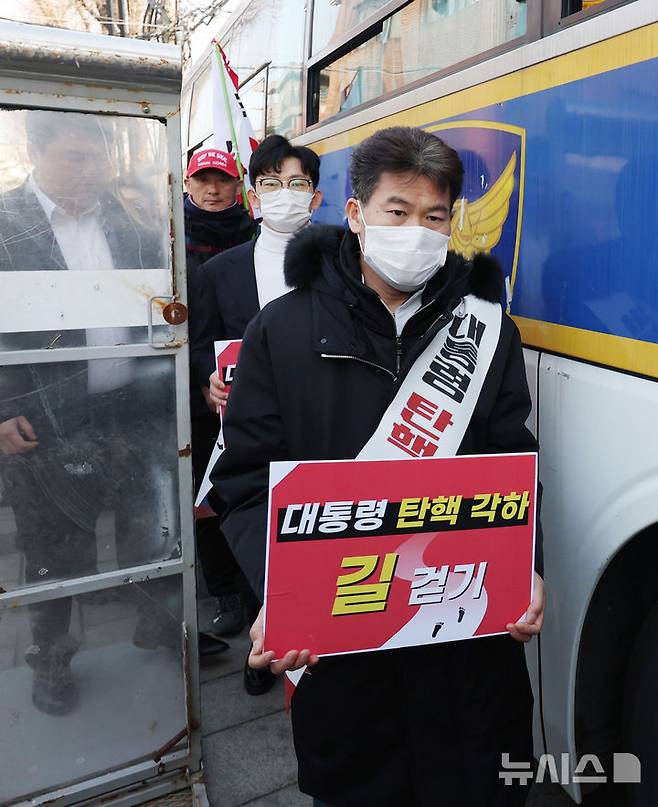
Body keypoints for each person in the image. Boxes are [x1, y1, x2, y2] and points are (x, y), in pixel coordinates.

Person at [212, 126, 545, 805]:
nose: (417, 231)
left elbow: (515, 458)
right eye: (399, 211)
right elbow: (243, 481)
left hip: (466, 643)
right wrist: (281, 590)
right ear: (358, 214)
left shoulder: (487, 329)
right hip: (345, 651)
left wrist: (526, 563)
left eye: (435, 216)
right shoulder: (282, 330)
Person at [188, 133, 322, 694]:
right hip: (250, 431)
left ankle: (302, 637)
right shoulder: (222, 270)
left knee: (311, 532)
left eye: (297, 185)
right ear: (254, 194)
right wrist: (209, 384)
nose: (284, 195)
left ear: (315, 198)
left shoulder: (345, 259)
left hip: (321, 427)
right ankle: (260, 640)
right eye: (271, 184)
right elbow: (202, 342)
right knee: (254, 525)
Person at [183, 148, 256, 650]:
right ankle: (225, 591)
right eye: (202, 180)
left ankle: (256, 589)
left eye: (222, 180)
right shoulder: (169, 239)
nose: (213, 190)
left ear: (237, 187)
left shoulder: (258, 237)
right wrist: (204, 378)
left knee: (251, 490)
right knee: (207, 495)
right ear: (187, 185)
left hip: (255, 393)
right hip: (199, 395)